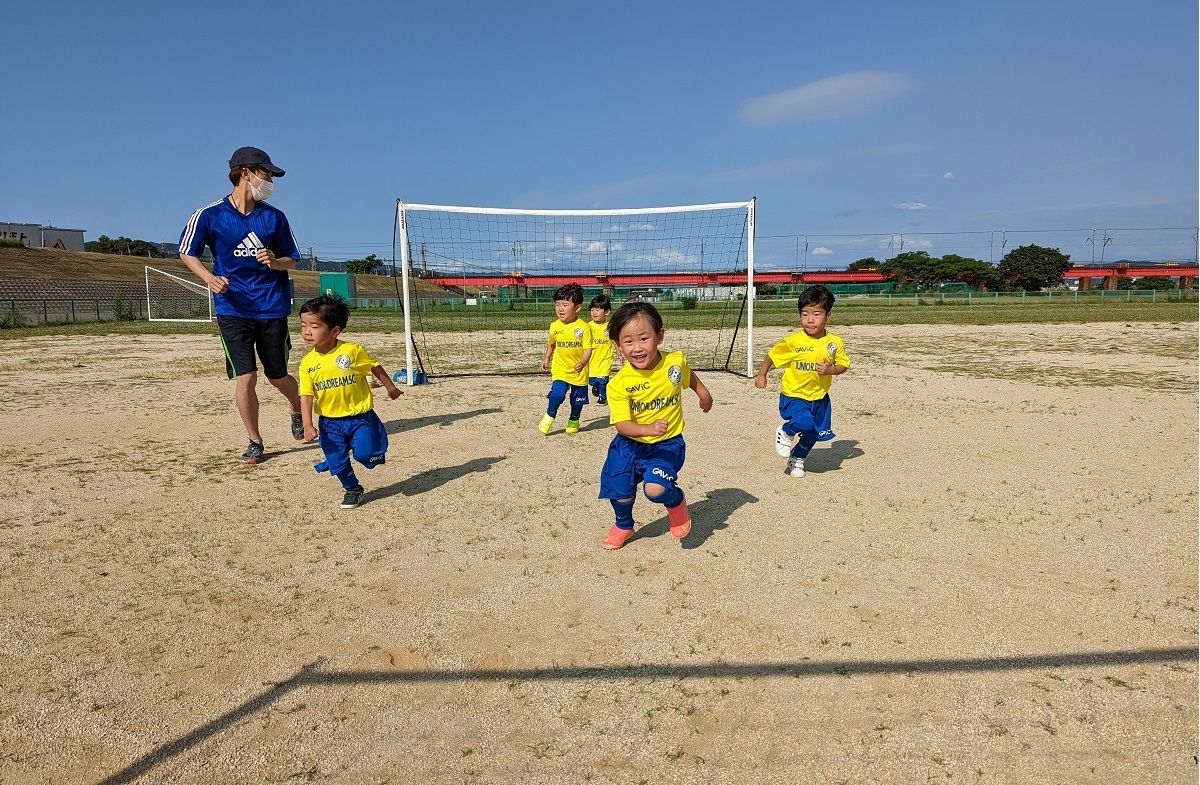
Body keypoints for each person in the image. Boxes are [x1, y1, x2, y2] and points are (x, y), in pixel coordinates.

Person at [179, 146, 303, 464]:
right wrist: (209, 278)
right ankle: (255, 440)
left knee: (277, 375)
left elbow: (293, 259)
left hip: (272, 307)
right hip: (233, 308)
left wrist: (276, 263)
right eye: (267, 173)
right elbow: (186, 251)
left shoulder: (275, 218)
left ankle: (297, 408)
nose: (271, 180)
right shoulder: (209, 215)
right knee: (245, 377)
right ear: (245, 173)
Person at [599, 301, 713, 550]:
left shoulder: (674, 363)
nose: (637, 348)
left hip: (666, 445)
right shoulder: (619, 384)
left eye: (644, 338)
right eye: (628, 341)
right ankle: (623, 524)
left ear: (659, 336)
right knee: (620, 492)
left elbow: (688, 375)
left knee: (655, 489)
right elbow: (622, 425)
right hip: (629, 445)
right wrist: (646, 429)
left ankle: (676, 502)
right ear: (618, 346)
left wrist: (703, 394)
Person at [297, 295, 403, 509]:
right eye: (303, 325)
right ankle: (353, 488)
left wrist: (390, 387)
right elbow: (306, 395)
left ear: (334, 331)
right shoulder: (307, 363)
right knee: (338, 460)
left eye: (314, 326)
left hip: (360, 418)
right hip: (330, 423)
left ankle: (350, 452)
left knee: (365, 454)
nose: (306, 332)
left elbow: (374, 367)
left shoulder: (352, 351)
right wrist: (307, 424)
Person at [754, 284, 851, 478]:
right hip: (794, 395)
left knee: (814, 433)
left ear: (828, 316)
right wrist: (762, 374)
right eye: (805, 314)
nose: (810, 320)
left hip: (819, 397)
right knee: (805, 423)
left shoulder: (834, 342)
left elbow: (843, 365)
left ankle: (797, 459)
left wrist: (832, 370)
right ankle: (785, 430)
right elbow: (772, 355)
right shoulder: (793, 341)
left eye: (816, 314)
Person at [538, 283, 592, 435]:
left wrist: (582, 362)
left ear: (577, 308)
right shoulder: (554, 326)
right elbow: (551, 344)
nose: (560, 308)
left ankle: (574, 420)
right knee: (557, 394)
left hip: (578, 371)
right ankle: (550, 415)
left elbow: (588, 350)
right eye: (557, 304)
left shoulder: (584, 327)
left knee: (577, 400)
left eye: (565, 304)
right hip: (560, 368)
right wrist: (546, 358)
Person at [587, 294, 614, 405]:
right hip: (591, 360)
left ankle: (603, 398)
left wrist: (621, 354)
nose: (594, 313)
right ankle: (596, 387)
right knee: (593, 381)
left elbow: (615, 341)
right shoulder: (587, 326)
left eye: (598, 310)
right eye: (592, 310)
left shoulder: (610, 327)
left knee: (603, 380)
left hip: (605, 359)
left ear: (606, 312)